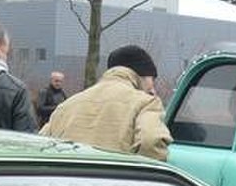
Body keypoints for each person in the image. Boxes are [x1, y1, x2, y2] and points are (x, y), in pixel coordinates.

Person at [39, 45, 171, 160]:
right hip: (116, 185)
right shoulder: (146, 103)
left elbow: (41, 145)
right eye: (152, 79)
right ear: (143, 75)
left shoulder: (66, 105)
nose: (152, 88)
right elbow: (150, 142)